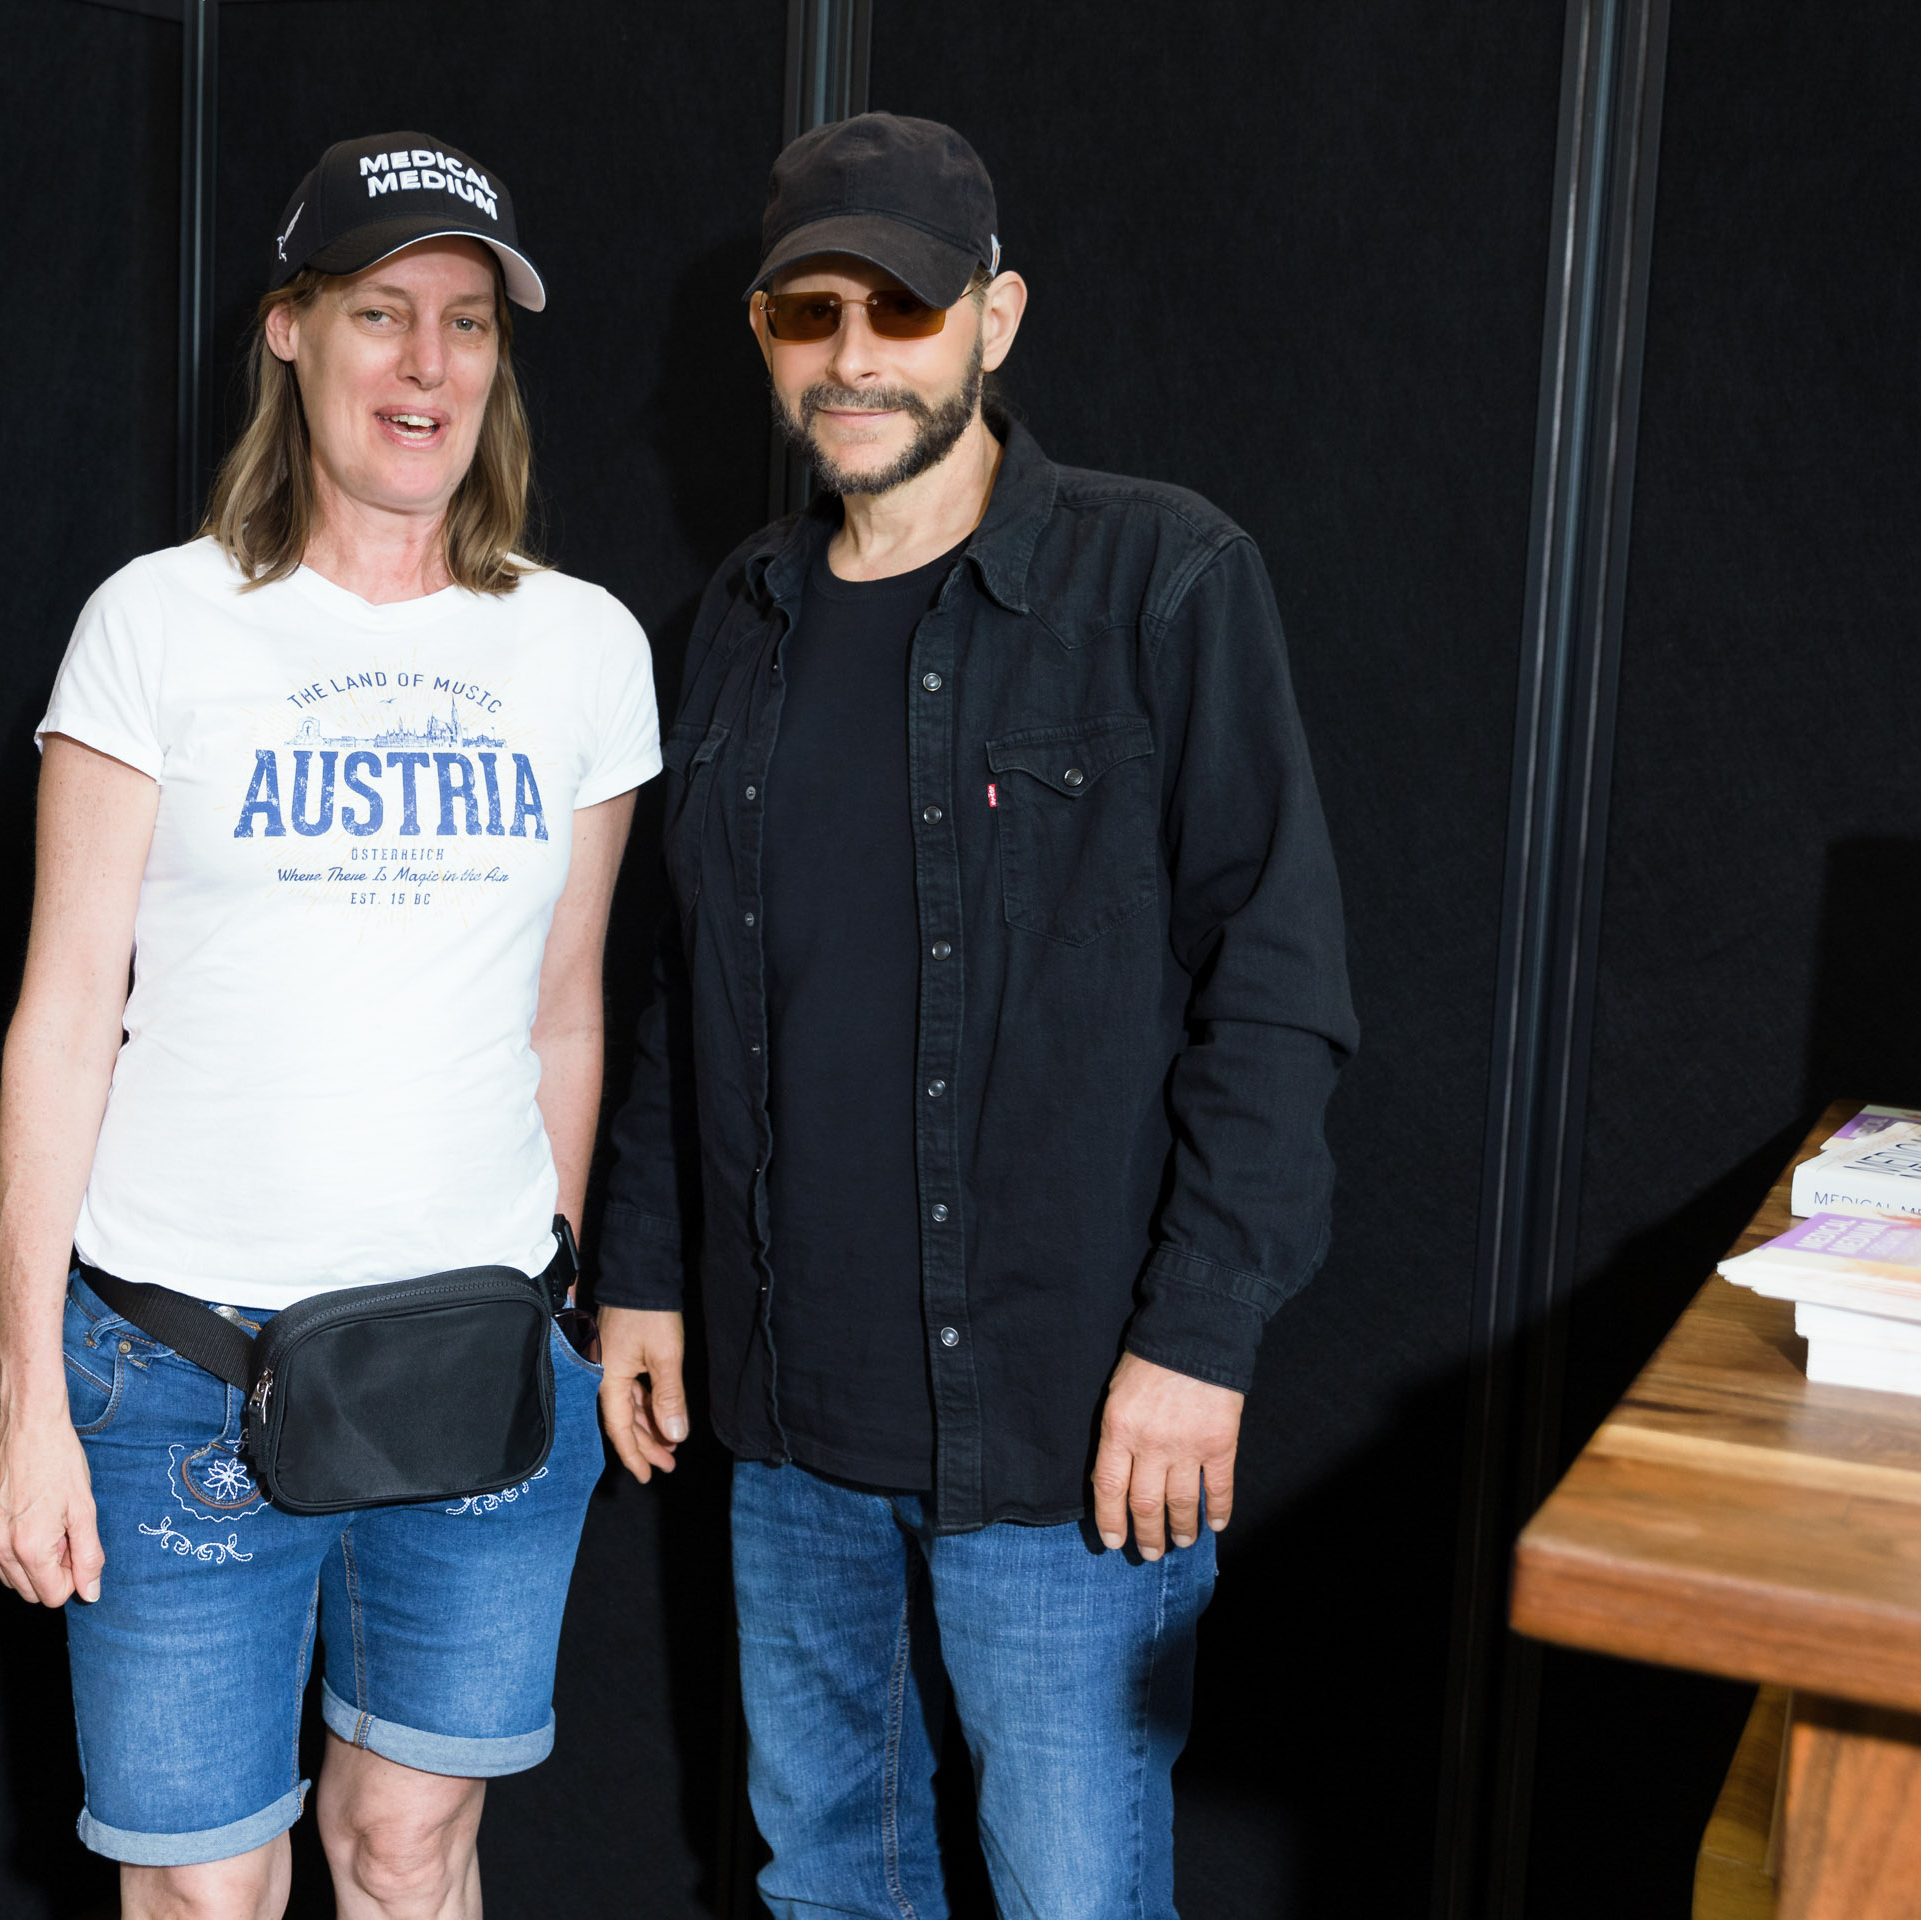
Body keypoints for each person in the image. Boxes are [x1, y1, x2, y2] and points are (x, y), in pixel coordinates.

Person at [595, 113, 1356, 1920]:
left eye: (905, 309)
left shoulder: (1161, 579)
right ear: (766, 337)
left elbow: (1277, 989)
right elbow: (685, 978)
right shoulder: (740, 618)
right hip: (789, 1427)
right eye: (811, 314)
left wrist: (1201, 1341)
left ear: (994, 320)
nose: (854, 356)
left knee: (1072, 1898)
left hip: (1062, 1428)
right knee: (824, 1885)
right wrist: (643, 1269)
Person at [0, 131, 658, 1920]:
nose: (428, 364)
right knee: (208, 1893)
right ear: (290, 330)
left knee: (412, 1849)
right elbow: (61, 1021)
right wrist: (28, 1398)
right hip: (181, 1380)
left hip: (480, 1372)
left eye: (467, 323)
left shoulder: (584, 649)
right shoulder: (158, 623)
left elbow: (565, 1017)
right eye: (379, 313)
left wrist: (554, 1308)